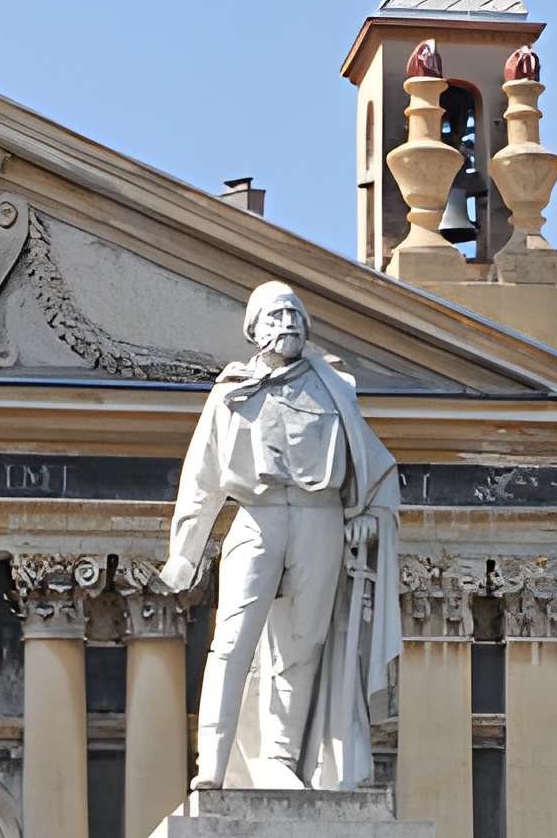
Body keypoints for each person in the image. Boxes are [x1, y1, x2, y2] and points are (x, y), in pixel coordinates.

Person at [158, 281, 400, 790]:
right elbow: (201, 476)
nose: (287, 322)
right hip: (258, 515)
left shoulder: (333, 388)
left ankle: (280, 759)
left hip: (320, 517)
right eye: (274, 315)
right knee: (232, 641)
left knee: (303, 643)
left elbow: (376, 467)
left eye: (294, 313)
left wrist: (370, 516)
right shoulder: (231, 391)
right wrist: (185, 551)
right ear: (254, 329)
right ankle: (213, 766)